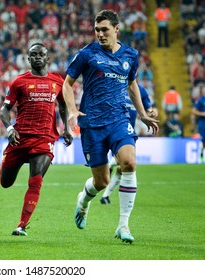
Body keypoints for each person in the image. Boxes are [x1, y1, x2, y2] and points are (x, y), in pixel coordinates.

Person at [62, 10, 159, 244]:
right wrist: (73, 110)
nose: (100, 34)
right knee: (102, 181)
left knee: (129, 162)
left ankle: (123, 225)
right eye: (97, 30)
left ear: (117, 29)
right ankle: (83, 202)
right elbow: (66, 84)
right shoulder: (87, 54)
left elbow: (132, 85)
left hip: (118, 119)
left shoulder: (131, 55)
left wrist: (143, 114)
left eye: (104, 29)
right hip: (92, 123)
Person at [0, 43, 73, 236]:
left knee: (36, 180)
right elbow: (4, 109)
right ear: (29, 59)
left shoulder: (57, 82)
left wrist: (66, 128)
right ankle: (7, 165)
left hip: (44, 138)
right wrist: (9, 128)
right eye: (34, 55)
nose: (38, 57)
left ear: (47, 59)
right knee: (5, 182)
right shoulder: (19, 82)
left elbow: (63, 106)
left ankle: (22, 225)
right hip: (19, 137)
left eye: (41, 54)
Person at [100, 82, 158, 205]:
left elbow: (149, 108)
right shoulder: (115, 83)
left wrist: (152, 112)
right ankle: (110, 165)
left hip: (129, 131)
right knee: (124, 163)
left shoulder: (141, 90)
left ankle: (105, 196)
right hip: (113, 128)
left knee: (122, 169)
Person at [192, 89, 205, 163]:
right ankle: (201, 154)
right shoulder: (200, 100)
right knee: (204, 140)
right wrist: (202, 114)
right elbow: (194, 111)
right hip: (203, 122)